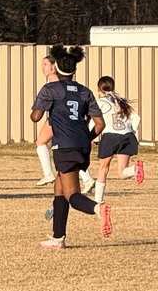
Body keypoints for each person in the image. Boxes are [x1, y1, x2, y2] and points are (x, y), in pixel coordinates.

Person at [30, 44, 111, 249]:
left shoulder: (51, 89)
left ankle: (98, 208)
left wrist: (40, 109)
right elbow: (100, 124)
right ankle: (59, 237)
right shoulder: (84, 91)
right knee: (59, 189)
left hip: (64, 147)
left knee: (72, 194)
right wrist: (86, 137)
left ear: (56, 68)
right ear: (74, 70)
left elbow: (36, 116)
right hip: (82, 146)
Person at [35, 53, 95, 193]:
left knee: (42, 142)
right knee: (49, 145)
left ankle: (49, 174)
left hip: (62, 119)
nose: (42, 67)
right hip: (62, 120)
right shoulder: (52, 83)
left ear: (54, 66)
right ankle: (86, 179)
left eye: (45, 64)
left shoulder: (56, 84)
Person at [93, 75, 144, 205]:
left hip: (111, 136)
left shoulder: (100, 103)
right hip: (127, 136)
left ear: (99, 89)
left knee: (103, 168)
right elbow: (136, 118)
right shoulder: (121, 101)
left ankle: (98, 201)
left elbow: (95, 121)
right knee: (122, 173)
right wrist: (131, 131)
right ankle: (135, 169)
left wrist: (90, 136)